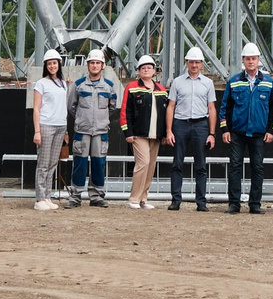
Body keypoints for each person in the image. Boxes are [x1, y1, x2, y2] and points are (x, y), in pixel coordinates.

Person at [216, 43, 273, 214]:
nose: (251, 61)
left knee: (257, 168)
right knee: (235, 167)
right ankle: (234, 204)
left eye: (253, 58)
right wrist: (225, 130)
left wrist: (271, 130)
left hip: (258, 134)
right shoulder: (234, 82)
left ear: (258, 60)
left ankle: (255, 204)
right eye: (248, 59)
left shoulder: (268, 83)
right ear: (243, 60)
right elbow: (225, 108)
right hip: (237, 133)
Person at [69, 49, 120, 207]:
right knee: (79, 164)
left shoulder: (109, 86)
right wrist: (82, 119)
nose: (95, 65)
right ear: (88, 65)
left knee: (98, 164)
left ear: (102, 65)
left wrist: (100, 120)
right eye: (92, 63)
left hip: (100, 132)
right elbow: (71, 106)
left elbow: (112, 107)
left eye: (98, 63)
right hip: (82, 131)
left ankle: (97, 196)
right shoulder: (78, 85)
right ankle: (75, 197)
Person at [168, 47, 216, 211]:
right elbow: (171, 106)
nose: (194, 65)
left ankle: (201, 202)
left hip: (201, 124)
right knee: (177, 163)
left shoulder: (208, 83)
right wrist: (169, 131)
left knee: (200, 165)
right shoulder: (177, 82)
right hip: (180, 123)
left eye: (197, 62)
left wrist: (211, 133)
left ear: (202, 64)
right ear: (186, 63)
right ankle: (176, 200)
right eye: (191, 62)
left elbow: (211, 108)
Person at [122, 56, 170, 210]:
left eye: (149, 67)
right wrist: (127, 132)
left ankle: (143, 198)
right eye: (143, 68)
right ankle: (134, 198)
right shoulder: (132, 87)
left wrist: (165, 134)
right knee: (143, 163)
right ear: (138, 71)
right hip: (138, 133)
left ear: (154, 71)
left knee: (151, 166)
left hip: (156, 134)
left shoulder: (161, 89)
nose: (146, 70)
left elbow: (165, 113)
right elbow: (125, 111)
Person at [30, 49, 70, 211]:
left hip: (60, 126)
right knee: (43, 163)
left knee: (53, 163)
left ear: (59, 64)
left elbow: (63, 107)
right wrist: (37, 131)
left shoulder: (63, 83)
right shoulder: (41, 84)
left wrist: (66, 131)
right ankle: (40, 198)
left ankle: (47, 196)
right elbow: (36, 109)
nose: (52, 66)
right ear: (46, 66)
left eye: (54, 63)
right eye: (49, 64)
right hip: (46, 125)